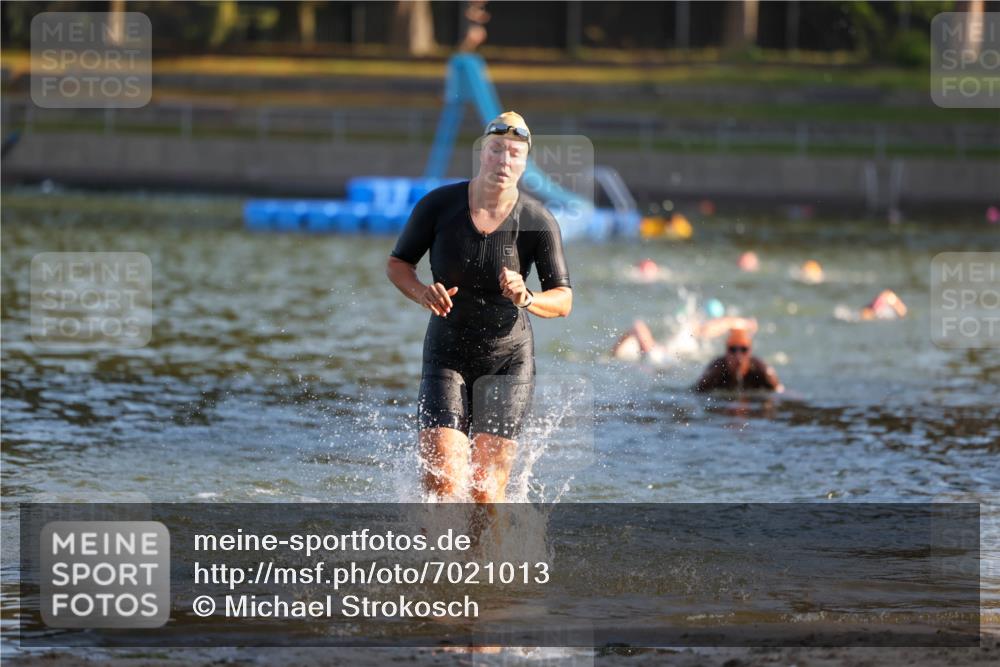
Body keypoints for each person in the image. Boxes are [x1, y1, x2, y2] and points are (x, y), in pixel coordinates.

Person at [386, 111, 572, 504]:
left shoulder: (537, 220)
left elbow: (564, 299)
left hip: (508, 360)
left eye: (514, 154)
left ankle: (487, 565)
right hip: (446, 354)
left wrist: (528, 298)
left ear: (525, 163)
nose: (504, 161)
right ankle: (436, 563)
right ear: (482, 154)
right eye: (496, 150)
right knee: (441, 483)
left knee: (486, 492)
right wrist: (421, 293)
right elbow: (398, 264)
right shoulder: (439, 205)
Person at [694, 329, 783, 393]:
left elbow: (781, 393)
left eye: (744, 350)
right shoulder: (716, 370)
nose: (738, 356)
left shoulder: (763, 372)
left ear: (750, 352)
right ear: (726, 352)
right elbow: (695, 392)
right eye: (732, 349)